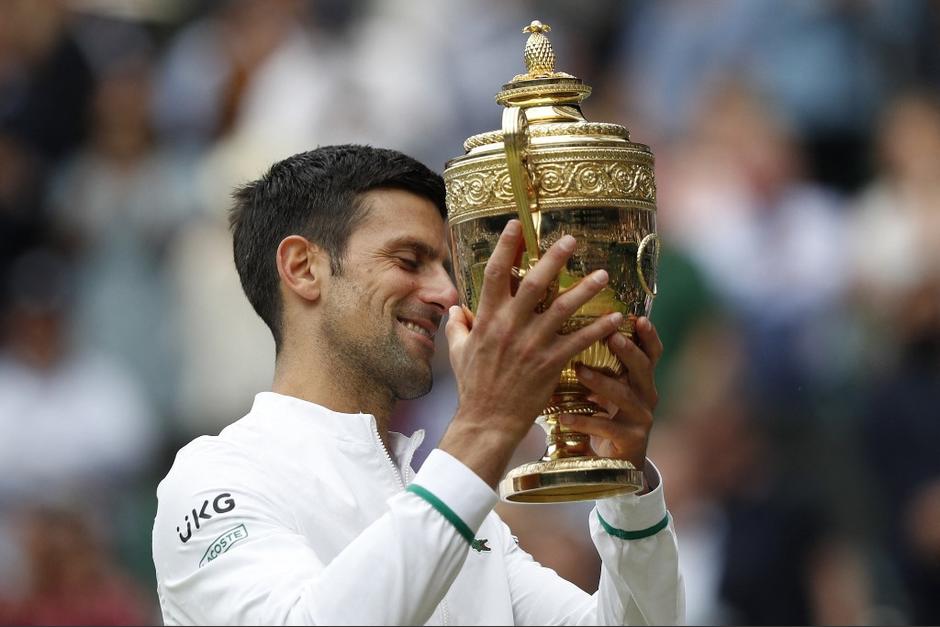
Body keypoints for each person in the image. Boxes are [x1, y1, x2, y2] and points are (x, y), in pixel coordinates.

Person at [151, 145, 684, 625]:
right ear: (303, 268)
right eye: (410, 261)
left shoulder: (470, 522)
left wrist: (627, 488)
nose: (448, 293)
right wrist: (486, 424)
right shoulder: (213, 481)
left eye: (448, 267)